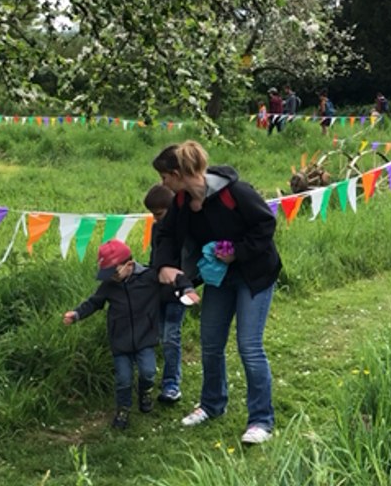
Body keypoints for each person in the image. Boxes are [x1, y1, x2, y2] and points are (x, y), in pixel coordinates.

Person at [150, 141, 281, 445]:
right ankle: (211, 405)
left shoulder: (236, 193)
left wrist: (238, 251)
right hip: (219, 277)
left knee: (249, 346)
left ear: (177, 173)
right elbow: (167, 235)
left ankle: (261, 420)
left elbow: (266, 223)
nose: (162, 184)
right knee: (211, 343)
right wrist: (165, 265)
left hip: (254, 274)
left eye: (164, 177)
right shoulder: (182, 202)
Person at [63, 239, 163, 430]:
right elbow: (94, 303)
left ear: (130, 265)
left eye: (114, 272)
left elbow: (169, 283)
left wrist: (185, 290)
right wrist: (76, 314)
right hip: (120, 341)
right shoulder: (109, 285)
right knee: (123, 379)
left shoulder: (149, 278)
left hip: (145, 338)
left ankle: (145, 392)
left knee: (148, 372)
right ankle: (123, 410)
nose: (111, 277)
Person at [144, 184, 201, 407]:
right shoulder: (158, 228)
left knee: (171, 337)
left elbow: (189, 261)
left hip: (178, 291)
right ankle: (148, 378)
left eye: (158, 214)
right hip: (158, 290)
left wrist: (186, 284)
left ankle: (171, 385)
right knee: (156, 335)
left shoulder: (186, 230)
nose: (156, 219)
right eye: (153, 215)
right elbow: (155, 257)